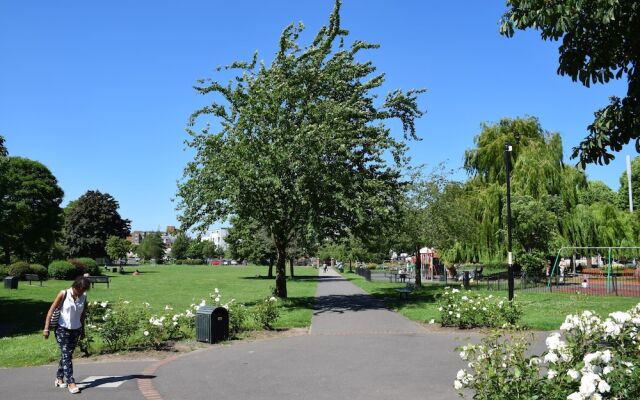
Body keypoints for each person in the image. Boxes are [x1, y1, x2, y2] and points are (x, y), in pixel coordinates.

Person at [43, 276, 91, 394]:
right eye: (79, 290)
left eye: (84, 290)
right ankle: (71, 382)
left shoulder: (84, 297)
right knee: (67, 355)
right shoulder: (63, 294)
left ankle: (59, 378)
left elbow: (82, 315)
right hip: (62, 329)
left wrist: (83, 331)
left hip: (76, 329)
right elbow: (51, 310)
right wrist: (46, 328)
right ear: (75, 286)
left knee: (67, 355)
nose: (81, 292)